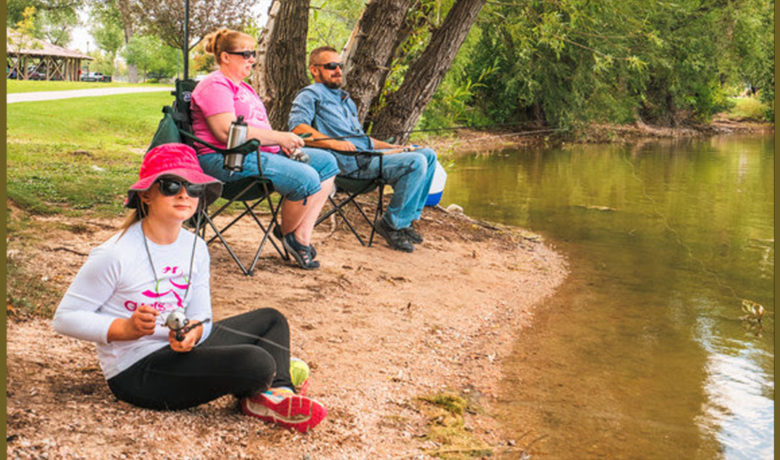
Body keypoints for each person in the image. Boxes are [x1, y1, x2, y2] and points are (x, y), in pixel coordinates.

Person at [53, 143, 327, 433]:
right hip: (137, 371)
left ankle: (276, 394)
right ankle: (269, 378)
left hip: (177, 350)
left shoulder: (195, 246)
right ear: (146, 194)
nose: (185, 194)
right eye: (171, 185)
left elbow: (202, 316)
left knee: (272, 320)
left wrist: (195, 332)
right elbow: (66, 317)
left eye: (194, 187)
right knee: (257, 361)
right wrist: (125, 329)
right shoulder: (115, 253)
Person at [191, 29, 340, 269]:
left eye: (254, 53)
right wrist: (279, 137)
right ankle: (293, 237)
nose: (252, 59)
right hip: (225, 159)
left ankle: (297, 235)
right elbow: (225, 132)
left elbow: (259, 129)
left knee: (327, 162)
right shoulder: (215, 85)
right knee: (306, 177)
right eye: (246, 54)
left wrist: (282, 144)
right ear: (226, 57)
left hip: (256, 155)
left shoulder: (245, 89)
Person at [288, 46, 438, 253]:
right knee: (415, 162)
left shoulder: (345, 99)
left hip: (368, 157)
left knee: (427, 155)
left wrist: (395, 148)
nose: (338, 71)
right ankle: (391, 224)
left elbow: (362, 140)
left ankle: (407, 220)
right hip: (350, 165)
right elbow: (298, 128)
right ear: (314, 70)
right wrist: (334, 143)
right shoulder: (310, 95)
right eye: (331, 66)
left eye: (340, 66)